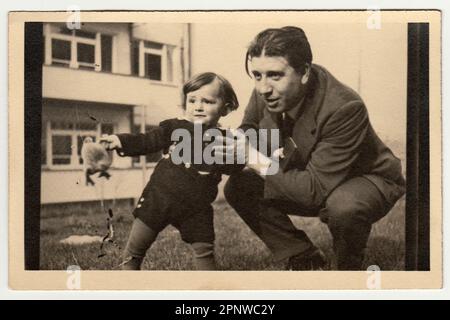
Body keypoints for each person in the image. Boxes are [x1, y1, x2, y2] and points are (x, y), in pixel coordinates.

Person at [217, 26, 406, 270]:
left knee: (344, 206)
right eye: (257, 75)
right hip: (312, 174)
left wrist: (252, 157)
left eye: (275, 75)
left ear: (304, 71)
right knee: (240, 186)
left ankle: (347, 272)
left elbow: (313, 190)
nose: (263, 87)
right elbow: (251, 130)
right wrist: (221, 148)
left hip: (364, 178)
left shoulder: (344, 106)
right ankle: (303, 255)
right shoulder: (265, 90)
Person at [100, 72, 240, 270]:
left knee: (204, 249)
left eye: (207, 101)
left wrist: (238, 158)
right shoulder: (175, 126)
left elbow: (232, 167)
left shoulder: (226, 140)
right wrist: (120, 141)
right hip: (159, 198)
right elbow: (147, 140)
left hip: (196, 207)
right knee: (135, 249)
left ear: (225, 108)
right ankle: (128, 280)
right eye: (192, 100)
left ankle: (209, 286)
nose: (198, 107)